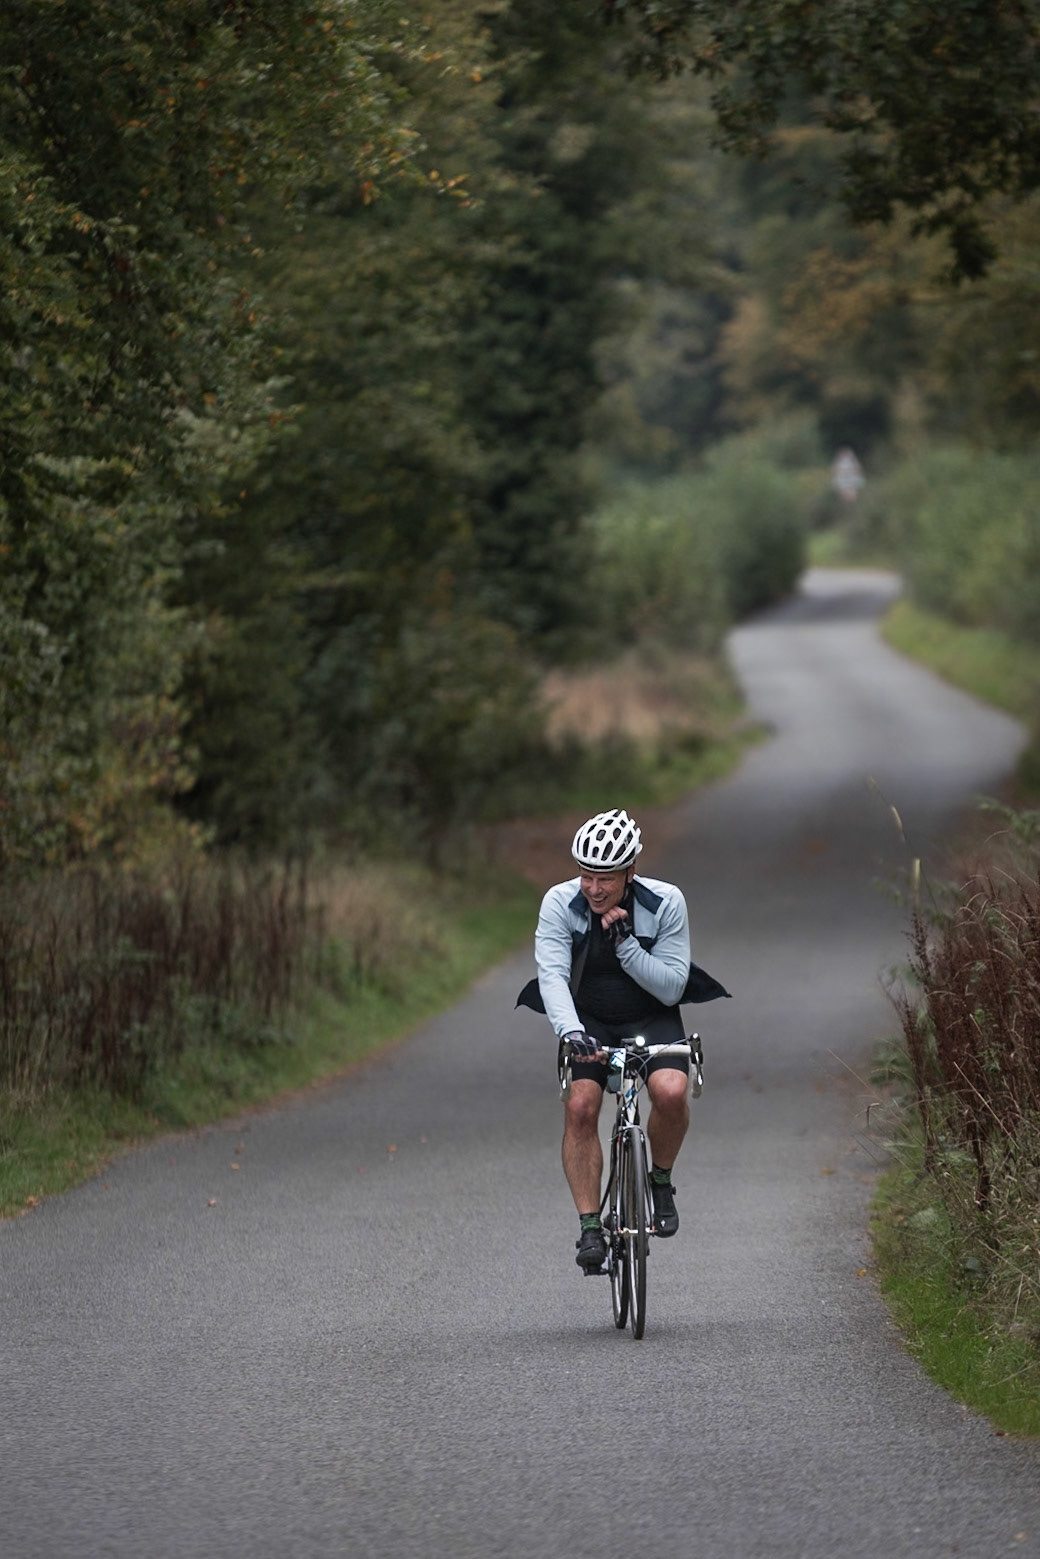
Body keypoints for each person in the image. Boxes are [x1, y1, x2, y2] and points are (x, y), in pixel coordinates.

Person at [516, 807, 728, 1273]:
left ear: (630, 871)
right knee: (580, 1106)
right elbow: (551, 975)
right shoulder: (559, 903)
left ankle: (660, 1179)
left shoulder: (665, 902)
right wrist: (570, 1031)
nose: (593, 888)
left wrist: (628, 948)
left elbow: (672, 987)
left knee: (671, 1093)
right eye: (586, 876)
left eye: (606, 878)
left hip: (652, 1016)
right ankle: (591, 1227)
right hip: (586, 1019)